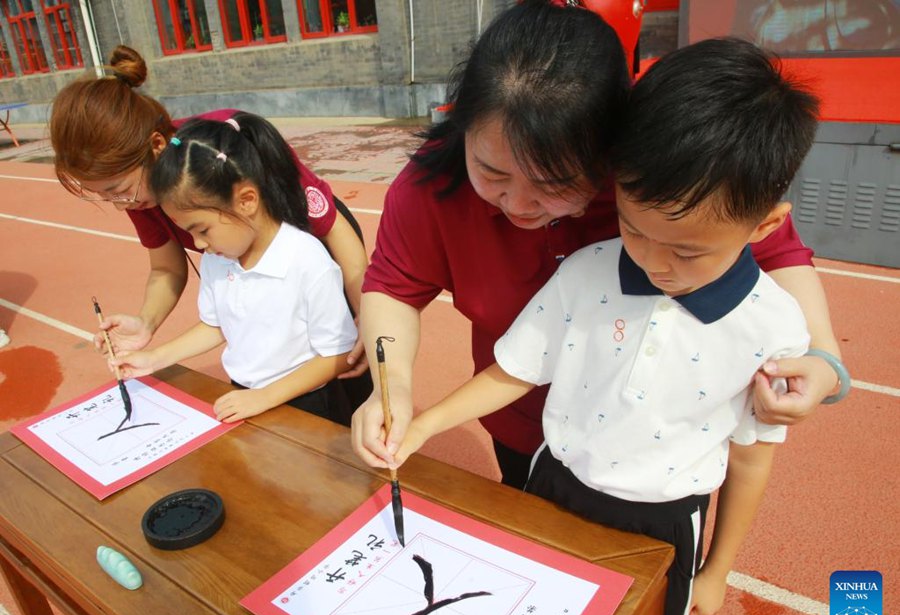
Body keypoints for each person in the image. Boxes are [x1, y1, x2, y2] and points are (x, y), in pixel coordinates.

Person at [385, 37, 826, 615]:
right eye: (632, 228)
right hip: (552, 478)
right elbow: (512, 368)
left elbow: (752, 457)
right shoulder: (590, 268)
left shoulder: (771, 322)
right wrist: (423, 419)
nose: (652, 262)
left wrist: (718, 568)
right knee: (532, 614)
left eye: (687, 252)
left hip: (666, 521)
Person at [351, 0, 847, 489]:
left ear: (612, 148)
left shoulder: (658, 182)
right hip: (518, 422)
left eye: (555, 182)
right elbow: (393, 288)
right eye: (493, 172)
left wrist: (824, 361)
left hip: (650, 449)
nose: (519, 204)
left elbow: (776, 251)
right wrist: (390, 387)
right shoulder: (431, 185)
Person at [49, 46, 370, 386]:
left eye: (119, 189)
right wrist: (146, 322)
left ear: (156, 146)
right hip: (242, 257)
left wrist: (366, 312)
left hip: (318, 239)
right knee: (276, 344)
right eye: (105, 196)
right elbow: (166, 268)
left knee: (347, 358)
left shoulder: (224, 148)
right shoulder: (142, 194)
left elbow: (332, 228)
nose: (120, 204)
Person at [111, 114, 358, 424]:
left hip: (306, 402)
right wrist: (154, 358)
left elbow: (337, 353)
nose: (198, 244)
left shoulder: (306, 259)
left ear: (246, 201)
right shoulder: (218, 257)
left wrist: (265, 397)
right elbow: (216, 326)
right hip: (245, 395)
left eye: (202, 229)